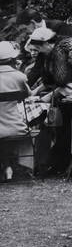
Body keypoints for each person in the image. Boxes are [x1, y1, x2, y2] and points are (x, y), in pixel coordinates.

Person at [16, 9, 72, 88]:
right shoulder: (36, 37)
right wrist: (23, 89)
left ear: (33, 23)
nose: (25, 33)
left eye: (24, 29)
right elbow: (38, 67)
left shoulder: (59, 27)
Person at [0, 41, 32, 181]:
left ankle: (6, 166)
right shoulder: (19, 76)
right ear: (13, 59)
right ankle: (17, 165)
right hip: (16, 127)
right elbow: (28, 95)